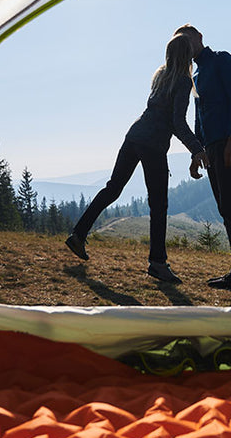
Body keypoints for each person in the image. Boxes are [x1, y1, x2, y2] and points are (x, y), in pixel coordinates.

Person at [65, 33, 209, 283]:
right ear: (187, 56)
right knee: (159, 205)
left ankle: (78, 234)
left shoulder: (161, 76)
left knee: (112, 188)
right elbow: (177, 122)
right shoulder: (183, 81)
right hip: (152, 144)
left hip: (133, 136)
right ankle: (157, 263)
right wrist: (197, 149)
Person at [175, 24, 231, 290]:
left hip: (230, 142)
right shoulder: (194, 73)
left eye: (188, 39)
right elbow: (198, 115)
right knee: (225, 207)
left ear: (199, 37)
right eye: (181, 42)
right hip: (211, 147)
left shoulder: (222, 59)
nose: (187, 45)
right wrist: (198, 151)